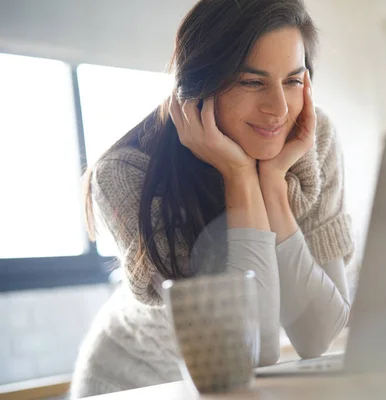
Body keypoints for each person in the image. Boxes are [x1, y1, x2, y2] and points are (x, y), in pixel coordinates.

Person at [70, 0, 354, 397]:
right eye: (251, 82)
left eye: (292, 80)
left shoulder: (312, 138)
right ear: (199, 84)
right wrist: (239, 177)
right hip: (136, 379)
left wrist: (271, 184)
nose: (278, 109)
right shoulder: (125, 173)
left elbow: (319, 334)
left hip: (231, 386)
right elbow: (253, 349)